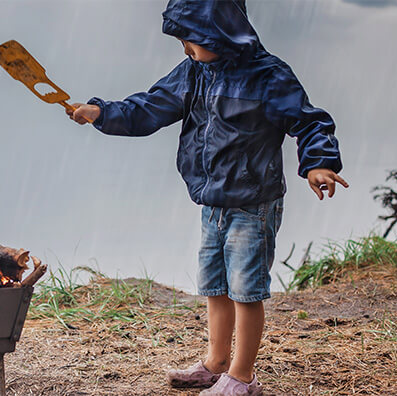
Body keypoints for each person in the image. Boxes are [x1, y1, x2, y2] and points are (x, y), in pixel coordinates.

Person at [66, 1, 348, 395]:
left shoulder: (269, 76)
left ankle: (242, 376)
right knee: (215, 286)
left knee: (246, 292)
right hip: (212, 201)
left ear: (222, 29)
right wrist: (103, 112)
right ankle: (216, 363)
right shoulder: (193, 73)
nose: (185, 48)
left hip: (252, 204)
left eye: (191, 39)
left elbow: (310, 121)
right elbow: (150, 107)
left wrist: (318, 163)